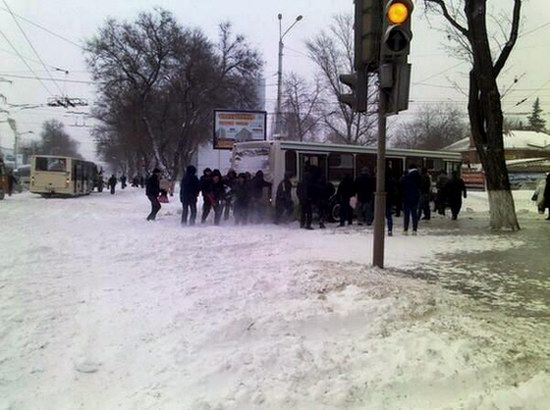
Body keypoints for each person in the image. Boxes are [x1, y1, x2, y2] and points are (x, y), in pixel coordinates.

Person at [400, 164, 421, 234]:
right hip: (415, 197)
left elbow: (402, 185)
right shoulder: (418, 176)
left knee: (407, 214)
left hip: (407, 197)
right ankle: (414, 229)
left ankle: (406, 229)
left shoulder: (406, 176)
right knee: (414, 213)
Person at [385, 168, 399, 236]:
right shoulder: (393, 180)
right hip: (390, 200)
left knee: (380, 216)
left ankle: (379, 229)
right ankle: (390, 230)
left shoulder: (381, 180)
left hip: (382, 200)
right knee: (389, 216)